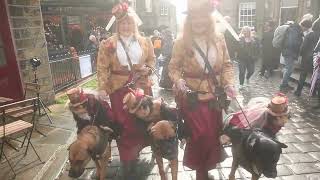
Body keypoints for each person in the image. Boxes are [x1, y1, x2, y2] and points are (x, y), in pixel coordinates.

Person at [168, 0, 236, 179]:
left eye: (202, 17)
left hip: (215, 96)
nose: (198, 21)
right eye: (194, 18)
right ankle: (200, 169)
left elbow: (227, 65)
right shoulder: (181, 42)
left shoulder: (219, 38)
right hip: (192, 97)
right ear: (189, 20)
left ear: (209, 19)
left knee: (213, 134)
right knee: (200, 135)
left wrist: (229, 83)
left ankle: (207, 166)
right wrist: (178, 80)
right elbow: (173, 68)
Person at [96, 2, 155, 179]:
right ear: (117, 24)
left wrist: (148, 69)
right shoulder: (108, 43)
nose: (126, 26)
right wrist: (102, 87)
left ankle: (137, 153)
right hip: (119, 91)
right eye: (122, 23)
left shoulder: (145, 41)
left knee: (140, 124)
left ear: (134, 24)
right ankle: (127, 159)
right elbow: (102, 67)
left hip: (141, 87)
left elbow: (152, 61)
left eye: (129, 22)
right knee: (124, 126)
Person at [294, 19, 319, 96]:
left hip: (306, 58)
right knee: (315, 75)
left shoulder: (309, 35)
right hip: (316, 58)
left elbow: (303, 47)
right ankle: (313, 92)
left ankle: (298, 91)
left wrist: (300, 55)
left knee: (303, 74)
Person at [279, 21, 303, 92]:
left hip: (289, 52)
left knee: (289, 68)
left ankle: (285, 83)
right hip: (289, 52)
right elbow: (292, 42)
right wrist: (299, 44)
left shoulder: (294, 29)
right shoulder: (295, 30)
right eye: (305, 29)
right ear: (303, 26)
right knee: (289, 69)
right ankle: (283, 85)